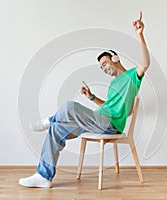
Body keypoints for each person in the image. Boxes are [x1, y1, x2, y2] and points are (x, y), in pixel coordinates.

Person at [19, 11, 150, 188]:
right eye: (101, 67)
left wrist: (140, 35)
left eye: (105, 63)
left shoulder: (132, 77)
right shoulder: (113, 85)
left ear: (115, 58)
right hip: (98, 121)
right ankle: (44, 176)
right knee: (57, 129)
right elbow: (108, 107)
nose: (103, 68)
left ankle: (48, 120)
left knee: (69, 106)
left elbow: (146, 63)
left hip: (109, 126)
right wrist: (92, 97)